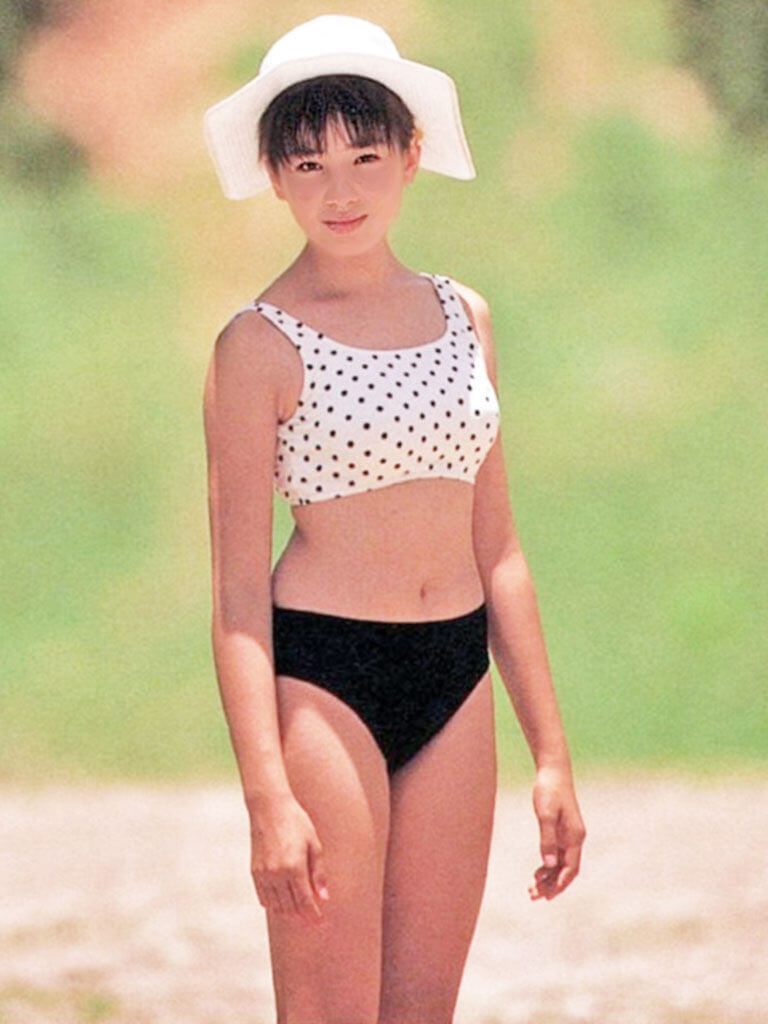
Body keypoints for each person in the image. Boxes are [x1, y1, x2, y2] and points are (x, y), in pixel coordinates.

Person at [202, 14, 586, 1023]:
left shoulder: (465, 316)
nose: (341, 190)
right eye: (310, 164)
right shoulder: (256, 345)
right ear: (275, 177)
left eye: (366, 157)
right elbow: (238, 595)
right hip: (325, 677)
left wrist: (551, 755)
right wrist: (266, 797)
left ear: (412, 157)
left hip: (455, 677)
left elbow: (499, 550)